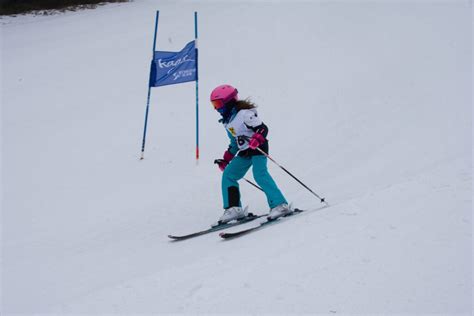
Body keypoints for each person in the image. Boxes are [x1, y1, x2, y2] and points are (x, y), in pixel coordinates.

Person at [211, 84, 293, 223]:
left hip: (258, 148)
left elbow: (262, 128)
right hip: (245, 151)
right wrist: (226, 159)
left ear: (229, 101)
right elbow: (234, 142)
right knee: (229, 175)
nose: (216, 108)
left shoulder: (244, 114)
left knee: (259, 174)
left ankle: (280, 205)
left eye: (218, 104)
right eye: (214, 104)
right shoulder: (227, 121)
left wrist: (257, 138)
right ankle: (233, 209)